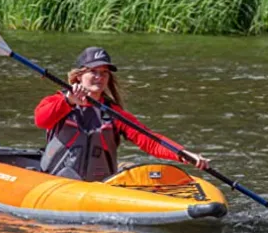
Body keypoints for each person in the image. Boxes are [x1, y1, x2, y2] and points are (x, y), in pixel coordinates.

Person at [34, 47, 209, 182]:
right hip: (57, 181)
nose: (99, 77)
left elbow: (149, 139)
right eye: (93, 71)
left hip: (100, 185)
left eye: (104, 73)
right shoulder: (57, 101)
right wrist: (68, 101)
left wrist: (183, 154)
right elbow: (41, 120)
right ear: (79, 76)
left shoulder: (113, 113)